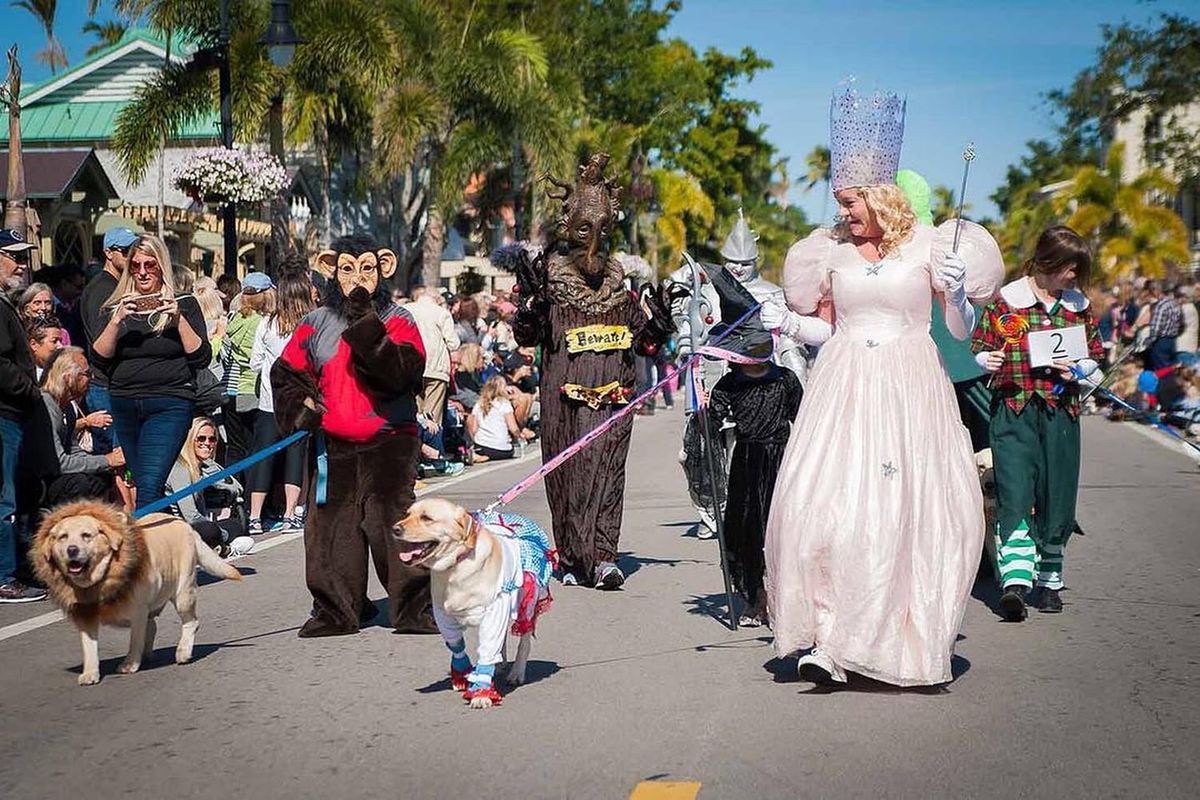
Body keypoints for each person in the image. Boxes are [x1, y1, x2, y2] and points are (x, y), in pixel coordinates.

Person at [764, 85, 1004, 686]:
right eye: (841, 203)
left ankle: (885, 639)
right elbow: (825, 330)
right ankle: (827, 635)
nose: (842, 213)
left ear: (878, 197)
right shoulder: (830, 253)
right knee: (820, 506)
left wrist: (953, 293)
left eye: (850, 203)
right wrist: (788, 322)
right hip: (842, 385)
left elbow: (957, 328)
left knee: (900, 513)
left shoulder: (932, 245)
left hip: (908, 384)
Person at [508, 155, 676, 590]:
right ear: (568, 229)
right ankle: (570, 555)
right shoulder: (553, 286)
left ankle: (603, 556)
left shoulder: (620, 291)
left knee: (608, 474)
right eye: (585, 229)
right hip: (564, 402)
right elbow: (526, 336)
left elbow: (646, 343)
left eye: (604, 229)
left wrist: (658, 323)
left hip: (614, 402)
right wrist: (531, 308)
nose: (595, 242)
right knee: (568, 479)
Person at [271, 232, 433, 636]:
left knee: (393, 525)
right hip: (334, 446)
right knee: (331, 530)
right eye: (347, 270)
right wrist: (301, 408)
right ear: (331, 271)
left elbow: (398, 374)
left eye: (366, 269)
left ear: (384, 270)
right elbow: (286, 374)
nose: (357, 279)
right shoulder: (314, 323)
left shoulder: (399, 320)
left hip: (389, 442)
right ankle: (337, 609)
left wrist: (365, 322)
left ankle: (412, 606)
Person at [972, 226, 1104, 619]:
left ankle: (1048, 580)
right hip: (1014, 408)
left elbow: (1095, 353)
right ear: (1048, 261)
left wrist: (1081, 370)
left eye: (1078, 270)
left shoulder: (1078, 306)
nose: (1073, 277)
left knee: (1057, 491)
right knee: (1013, 489)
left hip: (1061, 411)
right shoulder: (1008, 301)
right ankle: (1015, 580)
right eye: (1069, 268)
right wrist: (987, 360)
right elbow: (981, 344)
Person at [90, 234, 211, 511]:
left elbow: (201, 357)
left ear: (162, 267)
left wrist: (178, 318)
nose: (143, 272)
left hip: (169, 402)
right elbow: (98, 359)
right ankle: (166, 543)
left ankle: (149, 550)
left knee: (149, 485)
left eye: (150, 265)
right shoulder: (113, 307)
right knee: (143, 484)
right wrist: (117, 319)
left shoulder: (185, 304)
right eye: (136, 265)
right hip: (125, 403)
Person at [708, 327, 802, 627]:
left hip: (782, 460)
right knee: (747, 532)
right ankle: (755, 599)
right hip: (746, 462)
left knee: (785, 532)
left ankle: (785, 601)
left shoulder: (786, 380)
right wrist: (704, 409)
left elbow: (802, 419)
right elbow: (712, 420)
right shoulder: (730, 383)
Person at [0, 228, 47, 602]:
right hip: (5, 412)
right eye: (14, 256)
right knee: (5, 497)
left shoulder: (5, 303)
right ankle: (4, 575)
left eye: (24, 256)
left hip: (13, 412)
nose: (21, 264)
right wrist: (30, 389)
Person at [247, 264, 313, 533]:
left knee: (263, 457)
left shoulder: (268, 323)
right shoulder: (311, 324)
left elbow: (255, 362)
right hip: (301, 403)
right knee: (295, 457)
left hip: (268, 401)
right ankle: (290, 514)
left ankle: (254, 516)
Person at [34, 347, 125, 506]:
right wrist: (107, 460)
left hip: (54, 477)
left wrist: (108, 464)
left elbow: (74, 450)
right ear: (68, 378)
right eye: (86, 374)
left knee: (101, 477)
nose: (91, 378)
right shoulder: (44, 407)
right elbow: (59, 463)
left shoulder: (68, 408)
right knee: (79, 484)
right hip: (35, 483)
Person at [79, 227, 136, 457]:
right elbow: (101, 343)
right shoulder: (102, 289)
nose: (130, 256)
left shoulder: (114, 286)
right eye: (125, 251)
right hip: (104, 384)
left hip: (112, 383)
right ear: (108, 253)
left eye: (133, 250)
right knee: (114, 455)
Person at [165, 416, 255, 558]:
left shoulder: (200, 467)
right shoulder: (180, 469)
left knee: (237, 525)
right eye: (201, 439)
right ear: (189, 440)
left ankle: (217, 546)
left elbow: (235, 487)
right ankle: (224, 548)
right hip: (179, 531)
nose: (207, 443)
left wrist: (212, 469)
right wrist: (220, 533)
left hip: (193, 528)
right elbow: (190, 516)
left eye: (212, 439)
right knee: (211, 529)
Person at [221, 272, 274, 483]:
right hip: (253, 391)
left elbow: (224, 353)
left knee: (234, 448)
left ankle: (233, 498)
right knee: (255, 449)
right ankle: (254, 499)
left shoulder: (233, 319)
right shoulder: (263, 324)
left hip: (230, 389)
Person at [405, 283, 461, 446]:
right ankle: (433, 454)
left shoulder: (406, 310)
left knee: (415, 414)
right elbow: (453, 342)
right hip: (436, 368)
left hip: (412, 367)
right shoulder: (441, 313)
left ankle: (417, 455)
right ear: (436, 299)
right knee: (432, 416)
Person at [467, 375, 534, 462]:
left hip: (482, 446)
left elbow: (474, 429)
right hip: (502, 450)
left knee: (470, 418)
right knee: (509, 450)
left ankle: (480, 456)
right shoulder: (504, 404)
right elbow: (513, 428)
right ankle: (485, 456)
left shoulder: (479, 404)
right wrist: (520, 436)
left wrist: (475, 441)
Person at [1144, 281, 1183, 371]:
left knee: (1161, 370)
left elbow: (1156, 329)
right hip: (1172, 340)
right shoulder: (1175, 304)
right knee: (1172, 369)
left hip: (1160, 342)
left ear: (1157, 291)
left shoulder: (1160, 306)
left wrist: (1148, 342)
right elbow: (1180, 323)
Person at [25, 315, 65, 383]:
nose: (60, 346)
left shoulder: (65, 374)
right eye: (54, 341)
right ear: (34, 345)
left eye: (60, 341)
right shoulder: (22, 377)